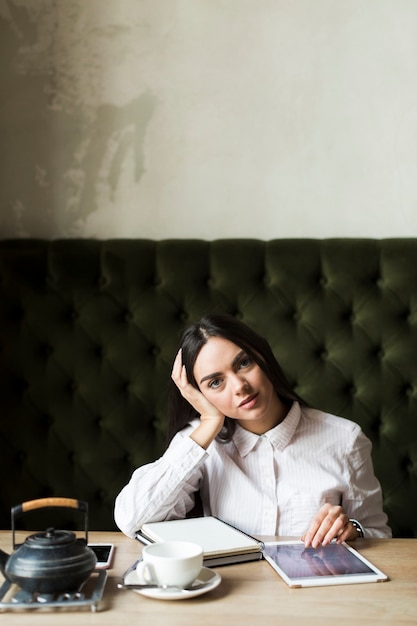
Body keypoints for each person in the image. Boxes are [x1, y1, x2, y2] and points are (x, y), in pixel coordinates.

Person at [114, 314, 391, 547]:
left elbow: (380, 535)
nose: (239, 386)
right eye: (215, 383)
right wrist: (210, 422)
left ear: (263, 357)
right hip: (231, 596)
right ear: (199, 394)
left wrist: (352, 529)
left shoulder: (345, 439)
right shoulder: (200, 441)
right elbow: (132, 519)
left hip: (316, 597)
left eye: (243, 363)